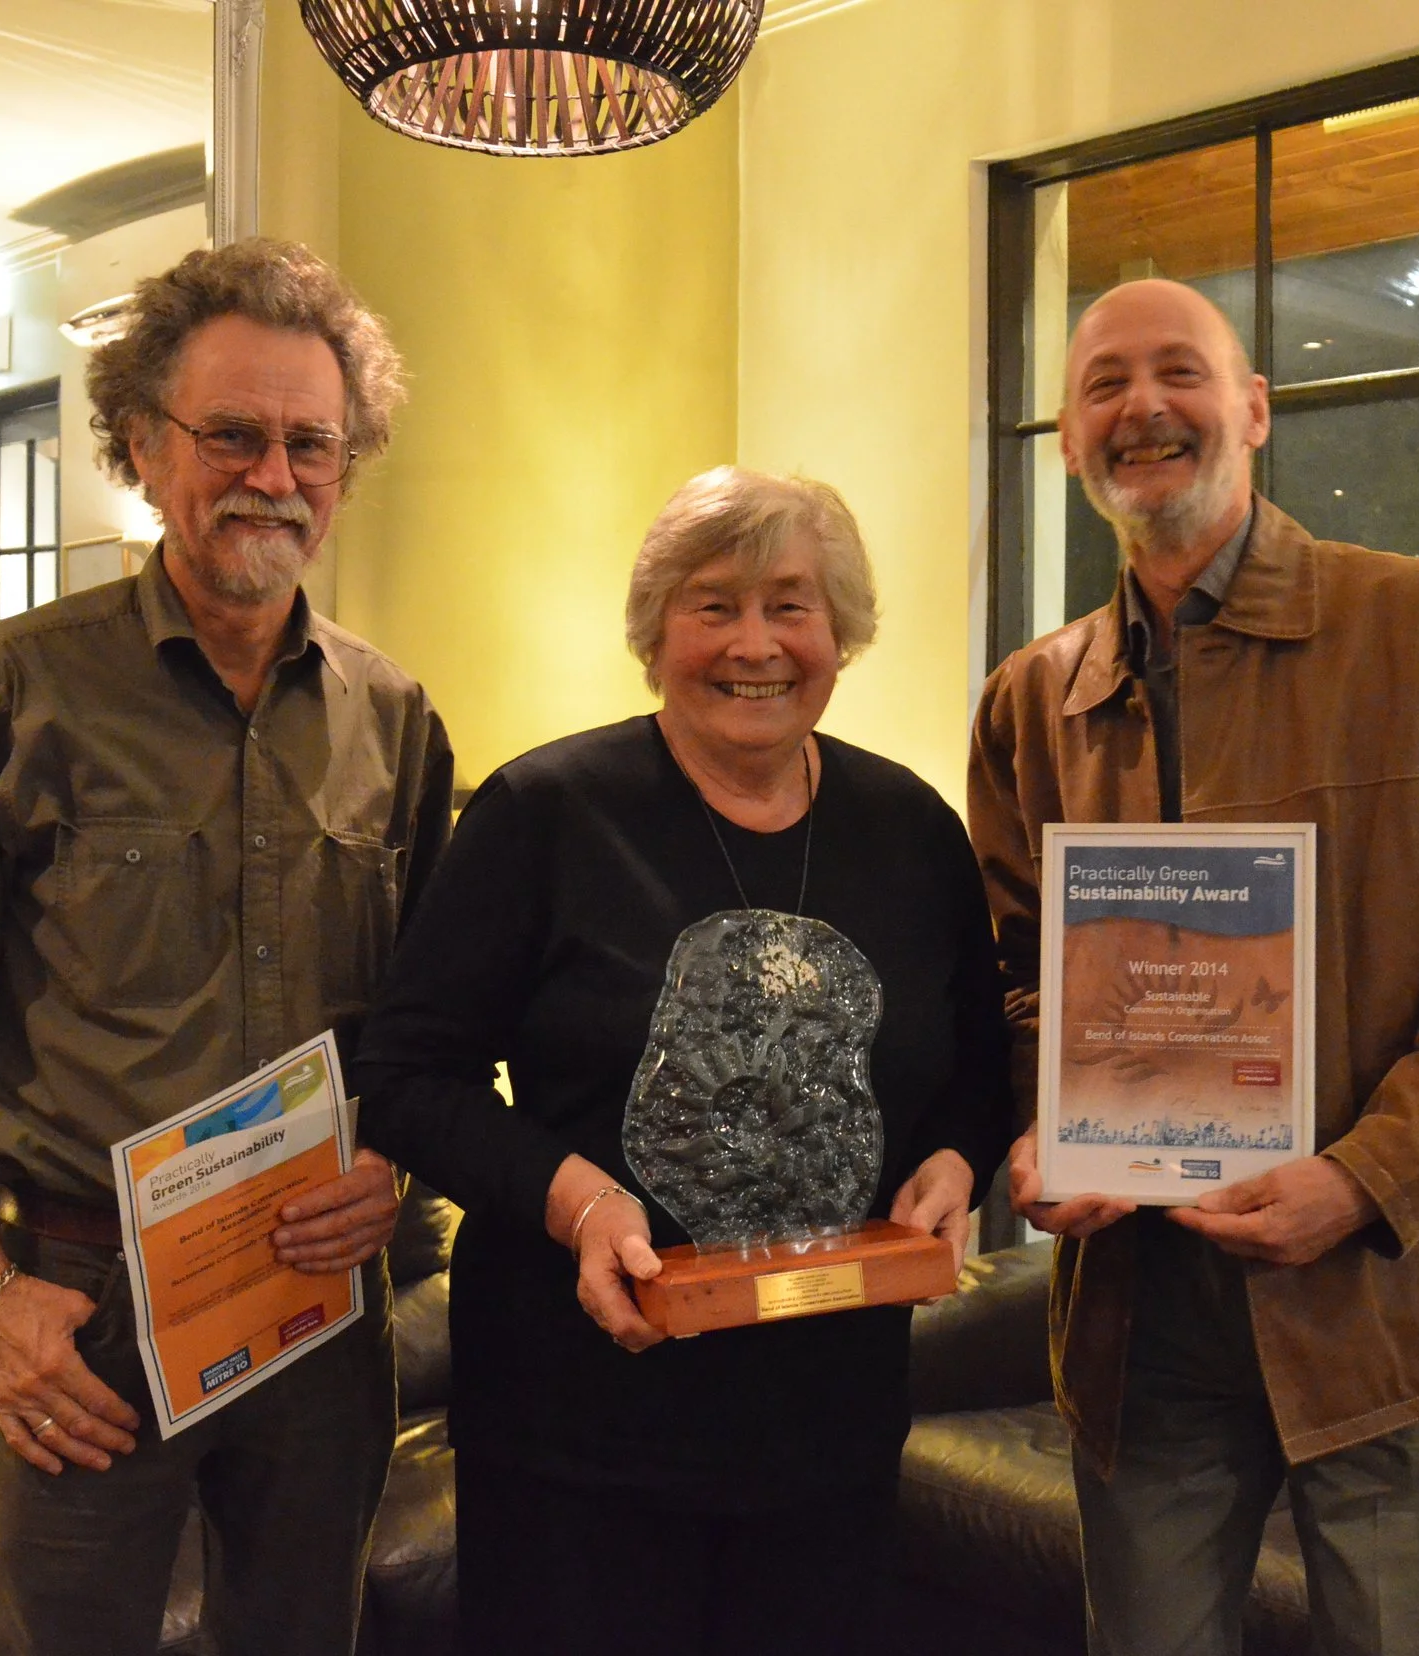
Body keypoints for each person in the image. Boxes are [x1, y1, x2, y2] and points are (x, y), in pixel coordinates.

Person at [969, 279, 1419, 1656]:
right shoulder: (1035, 697)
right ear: (1073, 443)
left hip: (1390, 1306)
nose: (1142, 407)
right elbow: (1012, 970)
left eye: (1179, 372)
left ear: (1254, 409)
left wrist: (1362, 1179)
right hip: (1143, 1327)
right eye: (1102, 386)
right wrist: (1044, 1130)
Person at [0, 239, 454, 1656]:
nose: (275, 475)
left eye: (313, 442)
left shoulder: (393, 714)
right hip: (82, 1308)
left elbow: (430, 1017)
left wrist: (393, 1162)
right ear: (139, 444)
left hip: (318, 1298)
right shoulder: (20, 686)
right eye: (233, 434)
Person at [354, 467, 1012, 1656]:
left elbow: (976, 1061)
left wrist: (960, 1163)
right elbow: (405, 1076)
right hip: (580, 1427)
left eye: (791, 605)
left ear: (840, 635)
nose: (753, 643)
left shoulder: (911, 830)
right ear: (656, 633)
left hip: (831, 1427)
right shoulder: (543, 814)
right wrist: (577, 1197)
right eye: (713, 605)